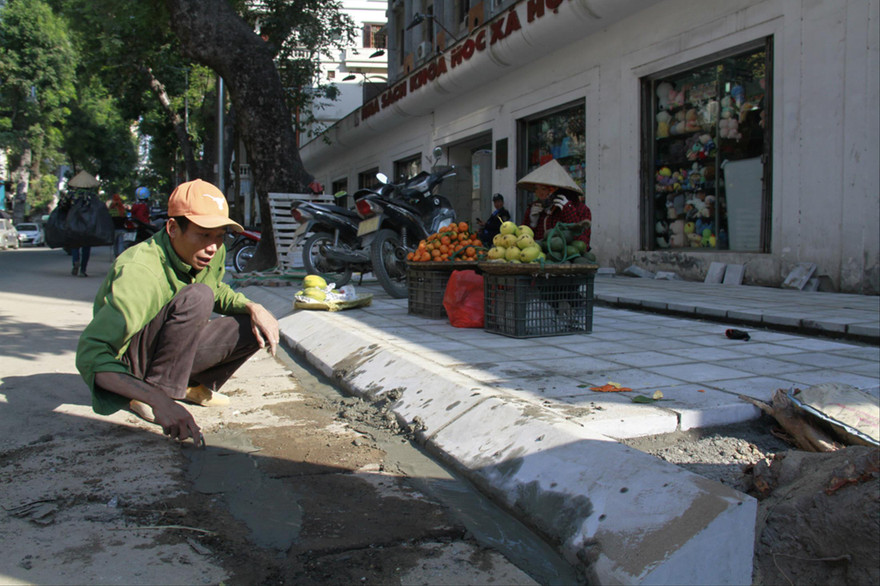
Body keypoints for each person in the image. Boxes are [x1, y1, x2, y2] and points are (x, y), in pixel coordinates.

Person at [76, 179, 280, 445]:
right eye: (204, 235)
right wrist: (158, 400)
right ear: (172, 228)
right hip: (131, 363)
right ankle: (151, 393)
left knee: (252, 326)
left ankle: (186, 386)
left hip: (167, 354)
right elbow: (91, 355)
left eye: (220, 236)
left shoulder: (211, 251)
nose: (213, 247)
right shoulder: (141, 272)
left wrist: (254, 306)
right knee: (197, 297)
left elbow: (215, 289)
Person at [518, 159, 591, 250]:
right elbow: (523, 243)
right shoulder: (534, 208)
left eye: (544, 189)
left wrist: (568, 212)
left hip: (565, 261)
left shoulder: (580, 209)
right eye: (537, 189)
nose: (540, 194)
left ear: (559, 190)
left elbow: (583, 244)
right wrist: (532, 224)